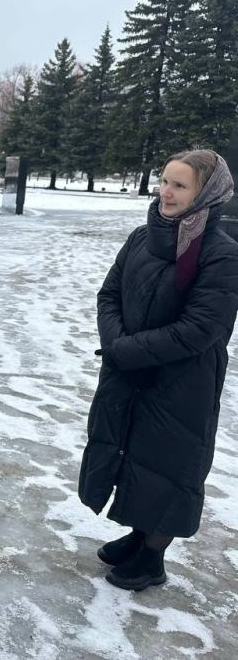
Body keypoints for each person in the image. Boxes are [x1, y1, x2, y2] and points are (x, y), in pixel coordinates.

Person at [79, 150, 238, 591]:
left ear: (205, 194)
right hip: (129, 371)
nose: (165, 192)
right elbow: (109, 294)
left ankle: (152, 558)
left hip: (181, 383)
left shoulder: (222, 255)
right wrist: (117, 343)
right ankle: (138, 536)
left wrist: (125, 351)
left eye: (179, 186)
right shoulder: (141, 238)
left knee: (168, 465)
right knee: (133, 454)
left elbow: (199, 329)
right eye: (165, 181)